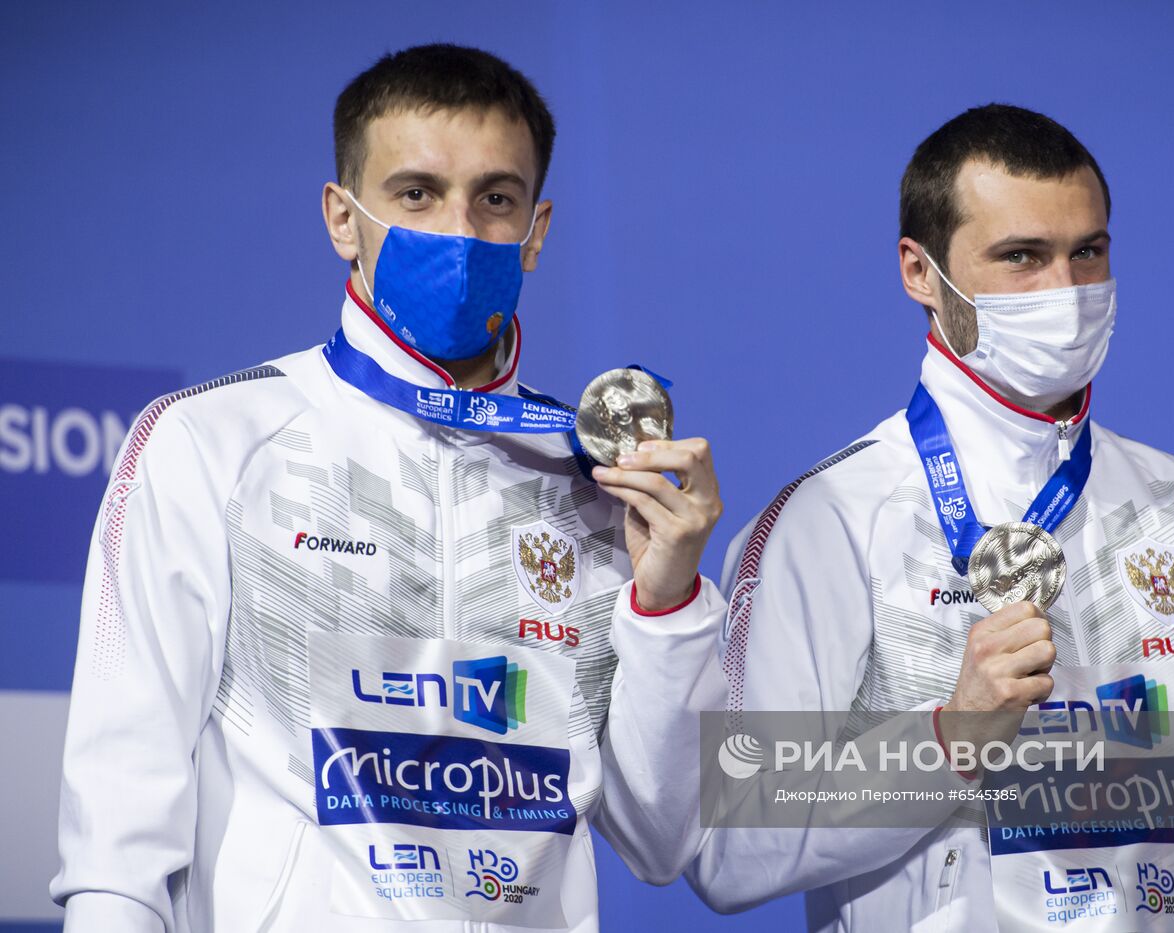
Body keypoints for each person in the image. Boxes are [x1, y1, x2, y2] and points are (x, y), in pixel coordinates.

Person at [52, 44, 726, 932]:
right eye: (416, 193)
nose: (457, 230)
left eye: (495, 198)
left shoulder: (600, 479)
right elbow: (120, 816)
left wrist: (669, 601)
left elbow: (662, 837)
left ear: (538, 227)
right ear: (343, 216)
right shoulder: (210, 442)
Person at [686, 104, 1174, 931]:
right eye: (1022, 259)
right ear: (920, 272)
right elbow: (728, 841)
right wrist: (946, 740)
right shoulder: (830, 522)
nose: (1067, 294)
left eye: (1089, 253)